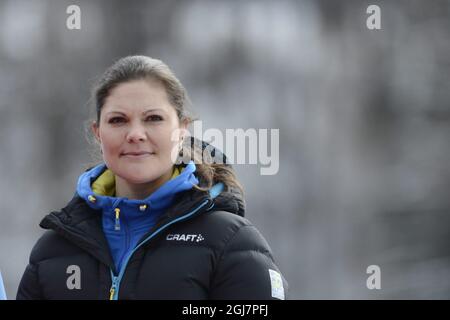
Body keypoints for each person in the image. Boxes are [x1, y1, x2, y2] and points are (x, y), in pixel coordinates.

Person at [16, 55, 288, 300]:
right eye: (118, 120)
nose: (135, 133)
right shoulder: (53, 251)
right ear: (98, 133)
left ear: (182, 130)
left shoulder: (231, 243)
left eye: (153, 118)